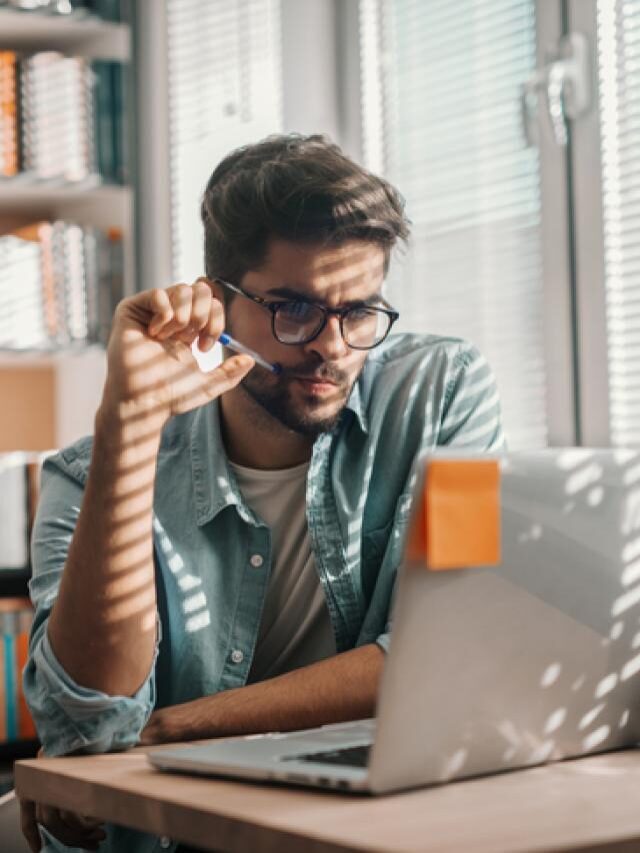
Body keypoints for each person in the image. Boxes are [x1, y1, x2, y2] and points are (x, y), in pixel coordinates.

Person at [20, 134, 504, 852]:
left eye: (360, 310)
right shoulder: (87, 473)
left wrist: (174, 727)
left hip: (363, 826)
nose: (333, 347)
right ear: (216, 304)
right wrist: (129, 424)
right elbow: (88, 725)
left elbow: (440, 653)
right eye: (294, 309)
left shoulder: (442, 393)